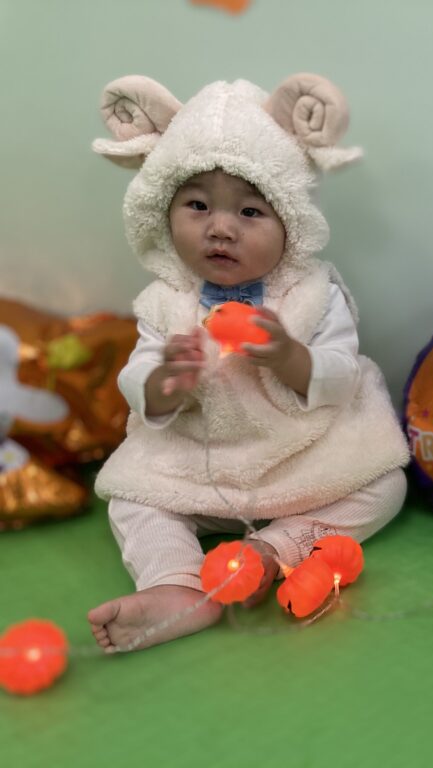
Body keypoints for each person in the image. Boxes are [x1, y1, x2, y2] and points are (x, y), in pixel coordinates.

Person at [86, 74, 410, 651]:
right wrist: (164, 383)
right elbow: (136, 378)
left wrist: (290, 356)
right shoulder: (165, 302)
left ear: (291, 221)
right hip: (194, 468)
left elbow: (340, 374)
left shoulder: (313, 294)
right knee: (133, 500)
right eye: (197, 205)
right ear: (164, 211)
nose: (220, 227)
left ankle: (269, 551)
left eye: (251, 211)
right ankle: (176, 585)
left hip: (302, 463)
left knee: (385, 486)